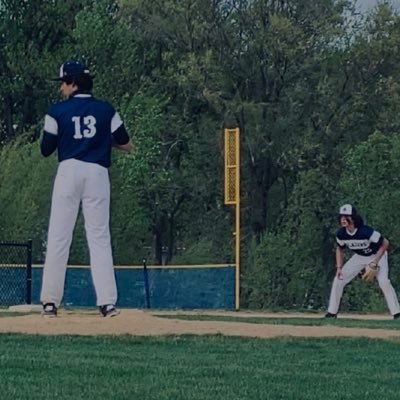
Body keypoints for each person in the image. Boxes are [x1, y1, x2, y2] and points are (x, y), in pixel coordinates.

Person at [40, 60, 133, 318]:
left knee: (59, 235)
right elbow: (126, 143)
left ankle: (50, 302)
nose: (61, 89)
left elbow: (46, 149)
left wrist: (67, 136)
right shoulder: (106, 110)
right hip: (97, 172)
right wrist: (103, 141)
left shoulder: (57, 111)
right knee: (99, 236)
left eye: (63, 83)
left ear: (73, 83)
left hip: (69, 170)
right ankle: (107, 303)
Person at [325, 204, 400, 320]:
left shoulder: (366, 231)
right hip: (360, 257)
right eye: (341, 217)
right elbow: (339, 248)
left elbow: (385, 243)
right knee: (339, 279)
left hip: (377, 255)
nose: (343, 219)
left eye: (347, 216)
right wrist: (339, 267)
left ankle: (397, 313)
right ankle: (331, 313)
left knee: (384, 282)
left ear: (353, 218)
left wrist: (375, 261)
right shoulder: (341, 234)